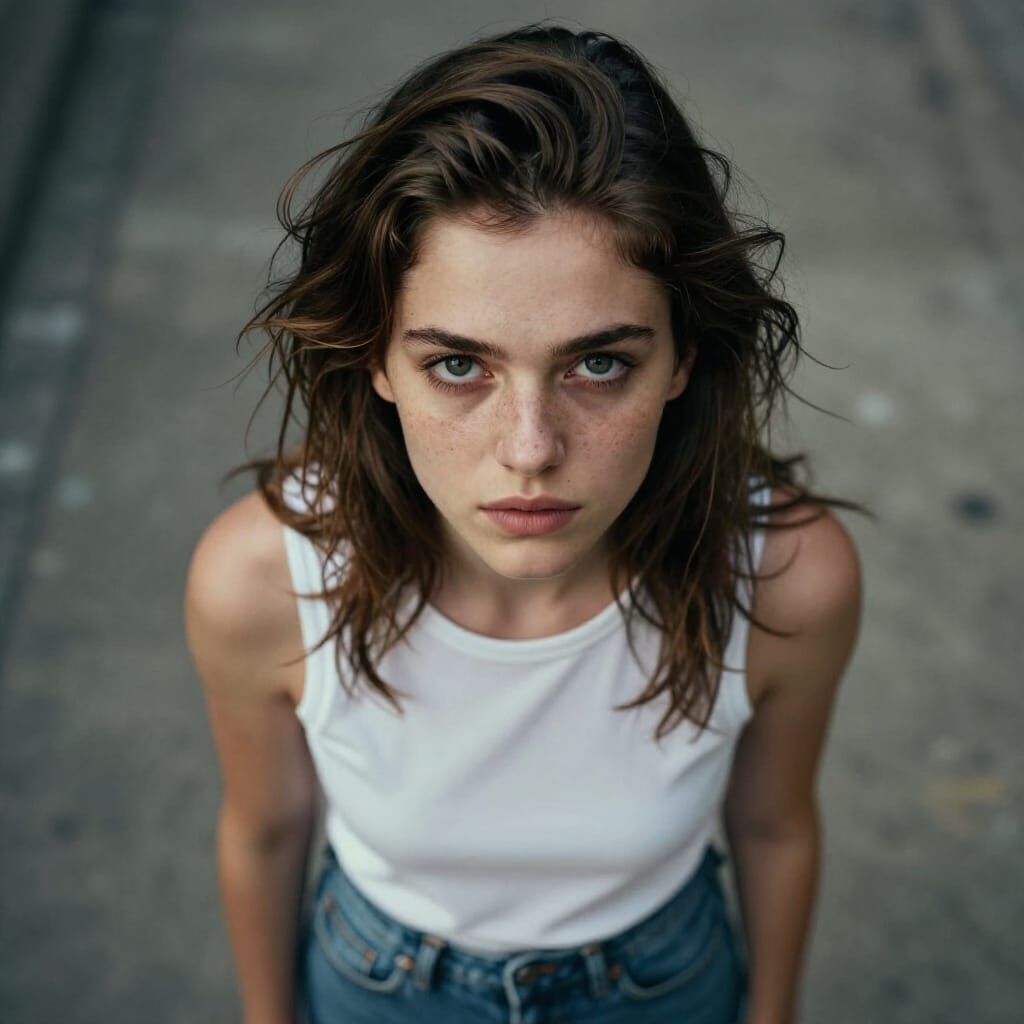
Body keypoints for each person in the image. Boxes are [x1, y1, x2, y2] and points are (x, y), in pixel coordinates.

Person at [184, 21, 865, 1024]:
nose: (531, 448)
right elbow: (264, 833)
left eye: (600, 362)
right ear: (376, 357)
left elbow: (772, 828)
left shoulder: (786, 577)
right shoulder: (264, 580)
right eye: (458, 364)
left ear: (681, 358)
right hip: (379, 990)